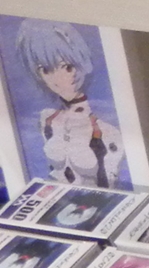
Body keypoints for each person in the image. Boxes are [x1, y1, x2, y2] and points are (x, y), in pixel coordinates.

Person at [14, 20, 123, 188]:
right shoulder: (47, 120)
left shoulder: (106, 128)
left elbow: (112, 181)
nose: (58, 79)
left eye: (67, 67)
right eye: (45, 70)